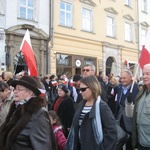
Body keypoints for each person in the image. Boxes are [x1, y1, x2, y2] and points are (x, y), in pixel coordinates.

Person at [0, 76, 56, 150]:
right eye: (15, 89)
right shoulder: (17, 109)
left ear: (29, 92)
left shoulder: (39, 114)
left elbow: (43, 146)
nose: (15, 91)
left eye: (19, 89)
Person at [65, 75, 117, 150]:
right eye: (80, 89)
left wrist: (103, 148)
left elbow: (111, 132)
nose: (80, 92)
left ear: (92, 88)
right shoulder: (80, 105)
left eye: (83, 89)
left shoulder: (102, 107)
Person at [115, 70, 139, 150]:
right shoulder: (119, 88)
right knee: (120, 140)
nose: (122, 80)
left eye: (124, 78)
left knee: (130, 143)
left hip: (130, 121)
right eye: (121, 78)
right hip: (120, 119)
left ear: (130, 78)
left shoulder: (136, 88)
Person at [132, 64, 150, 149]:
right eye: (143, 74)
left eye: (148, 74)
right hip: (140, 141)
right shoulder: (141, 92)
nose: (144, 76)